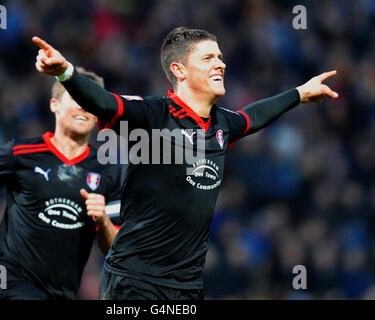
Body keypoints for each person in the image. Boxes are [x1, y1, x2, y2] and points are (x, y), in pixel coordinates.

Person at [32, 26, 339, 300]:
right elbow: (103, 101)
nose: (221, 63)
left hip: (187, 286)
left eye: (219, 57)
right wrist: (66, 73)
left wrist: (300, 93)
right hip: (136, 281)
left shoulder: (222, 124)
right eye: (207, 58)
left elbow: (254, 116)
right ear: (179, 70)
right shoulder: (153, 115)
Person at [0, 69, 123, 300]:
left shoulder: (108, 172)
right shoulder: (20, 153)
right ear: (55, 105)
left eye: (91, 101)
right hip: (8, 284)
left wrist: (103, 220)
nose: (84, 106)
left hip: (62, 292)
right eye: (76, 98)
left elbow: (113, 247)